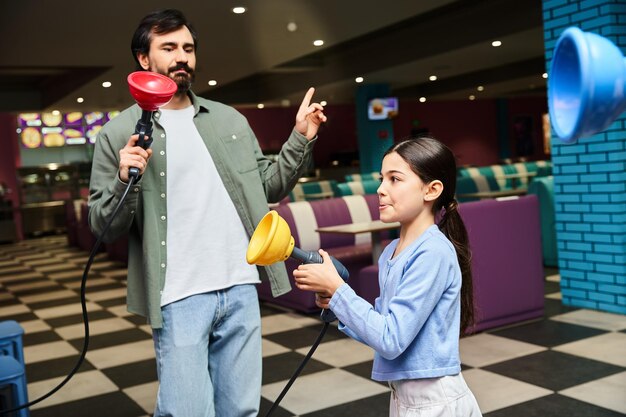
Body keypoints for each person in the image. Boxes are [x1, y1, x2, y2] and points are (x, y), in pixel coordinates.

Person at [88, 9, 326, 417]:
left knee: (242, 410)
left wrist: (300, 138)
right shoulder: (118, 133)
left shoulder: (229, 119)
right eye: (168, 48)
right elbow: (102, 225)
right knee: (187, 412)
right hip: (178, 295)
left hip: (239, 284)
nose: (182, 57)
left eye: (188, 48)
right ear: (144, 60)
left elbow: (267, 185)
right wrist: (124, 179)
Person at [293, 137, 482, 417]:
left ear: (431, 190)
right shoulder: (393, 251)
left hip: (434, 402)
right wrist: (335, 301)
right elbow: (381, 324)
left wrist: (339, 289)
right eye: (382, 179)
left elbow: (390, 340)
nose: (380, 189)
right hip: (404, 397)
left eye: (395, 179)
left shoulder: (433, 252)